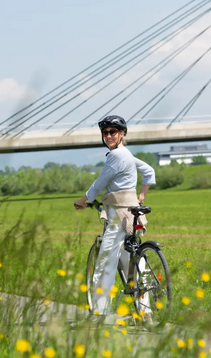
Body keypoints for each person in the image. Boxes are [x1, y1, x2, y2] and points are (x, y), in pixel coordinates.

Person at [74, 115, 156, 317]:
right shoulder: (126, 154)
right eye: (105, 132)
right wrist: (141, 195)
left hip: (118, 213)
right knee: (133, 259)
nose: (109, 135)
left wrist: (82, 201)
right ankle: (145, 312)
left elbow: (99, 184)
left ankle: (99, 314)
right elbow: (149, 171)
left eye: (113, 132)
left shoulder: (116, 156)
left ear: (122, 134)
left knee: (104, 264)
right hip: (132, 212)